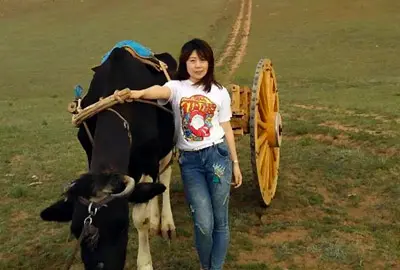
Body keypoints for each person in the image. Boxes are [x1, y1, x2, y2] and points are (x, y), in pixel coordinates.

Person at [128, 38, 242, 270]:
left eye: (202, 60)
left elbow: (227, 128)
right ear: (185, 63)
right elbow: (158, 90)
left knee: (220, 221)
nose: (198, 65)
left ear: (209, 63)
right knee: (203, 223)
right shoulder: (177, 88)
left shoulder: (220, 92)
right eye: (192, 60)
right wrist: (138, 93)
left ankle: (213, 268)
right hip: (190, 163)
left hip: (218, 157)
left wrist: (235, 162)